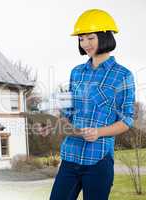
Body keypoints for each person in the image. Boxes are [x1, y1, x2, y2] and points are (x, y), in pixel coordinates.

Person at [49, 9, 136, 200]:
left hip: (98, 160)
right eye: (81, 39)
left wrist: (98, 132)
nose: (85, 44)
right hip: (70, 156)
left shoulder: (123, 76)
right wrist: (58, 119)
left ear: (105, 37)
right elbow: (68, 112)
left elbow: (127, 120)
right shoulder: (76, 72)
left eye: (90, 38)